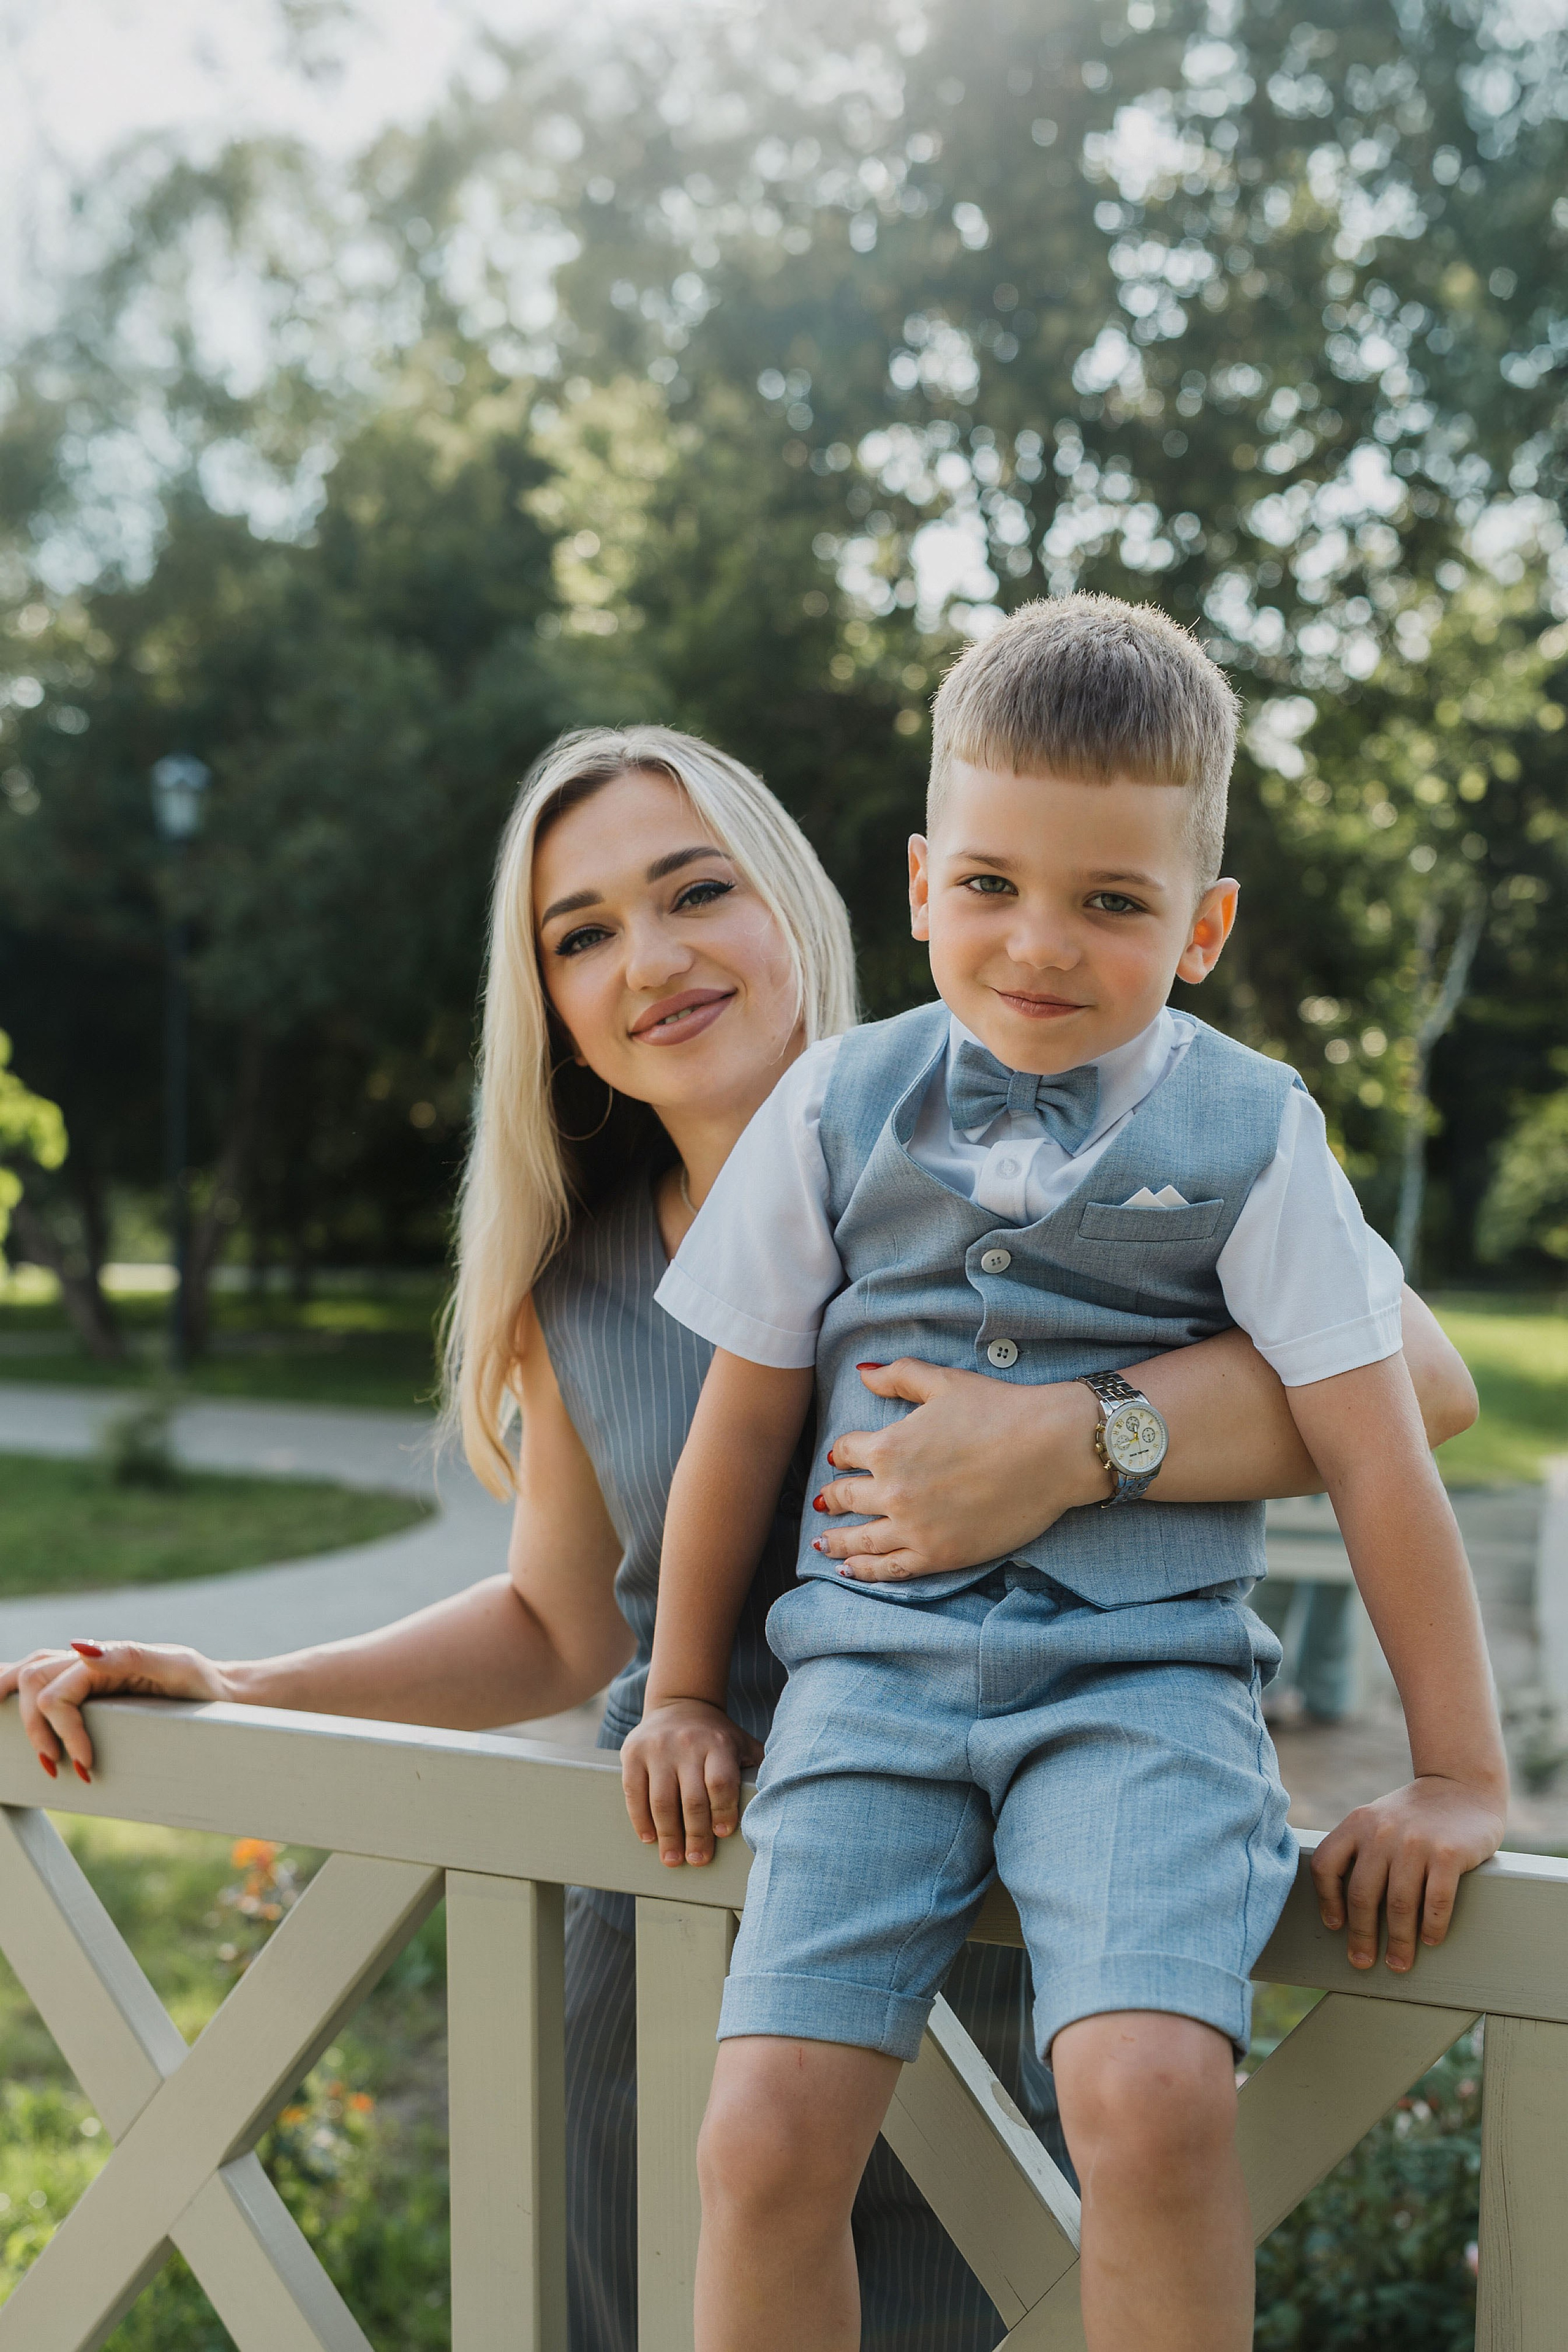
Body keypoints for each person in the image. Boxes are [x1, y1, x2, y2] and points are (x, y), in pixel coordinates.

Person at [3, 725, 1476, 2352]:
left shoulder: (1051, 1124)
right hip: (687, 1968)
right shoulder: (582, 1281)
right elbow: (561, 1630)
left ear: (800, 905)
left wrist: (1069, 1439)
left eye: (694, 891)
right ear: (548, 1000)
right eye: (580, 933)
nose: (650, 960)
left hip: (1015, 1971)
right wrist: (240, 1680)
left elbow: (1425, 1386)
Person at [624, 605, 1509, 2352]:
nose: (1039, 946)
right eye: (991, 886)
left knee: (1154, 2099)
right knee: (762, 2133)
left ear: (1204, 925)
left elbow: (1378, 1442)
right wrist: (677, 1691)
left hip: (1143, 1689)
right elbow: (738, 1423)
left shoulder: (1255, 1131)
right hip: (866, 1688)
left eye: (1112, 901)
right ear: (919, 881)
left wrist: (1461, 1774)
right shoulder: (830, 1106)